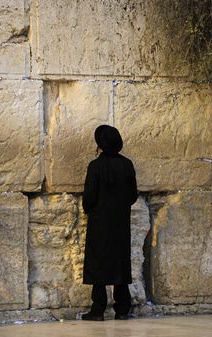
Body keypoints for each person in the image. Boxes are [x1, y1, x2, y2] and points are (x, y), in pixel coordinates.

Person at [82, 125, 138, 321]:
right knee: (120, 261)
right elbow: (133, 195)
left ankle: (98, 309)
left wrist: (90, 209)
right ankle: (122, 309)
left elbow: (89, 197)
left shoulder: (95, 166)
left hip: (100, 222)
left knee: (99, 263)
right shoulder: (127, 165)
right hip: (120, 221)